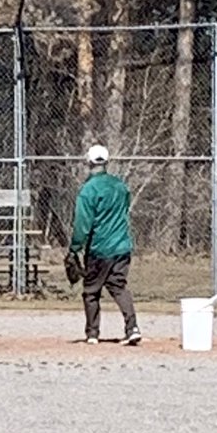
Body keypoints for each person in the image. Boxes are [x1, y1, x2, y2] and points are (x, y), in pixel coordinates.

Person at [66, 145, 141, 346]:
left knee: (91, 290)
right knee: (118, 287)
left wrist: (74, 248)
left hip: (100, 248)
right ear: (106, 163)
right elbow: (125, 209)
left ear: (88, 163)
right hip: (122, 246)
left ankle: (92, 333)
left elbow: (83, 224)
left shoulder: (88, 190)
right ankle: (132, 327)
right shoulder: (120, 186)